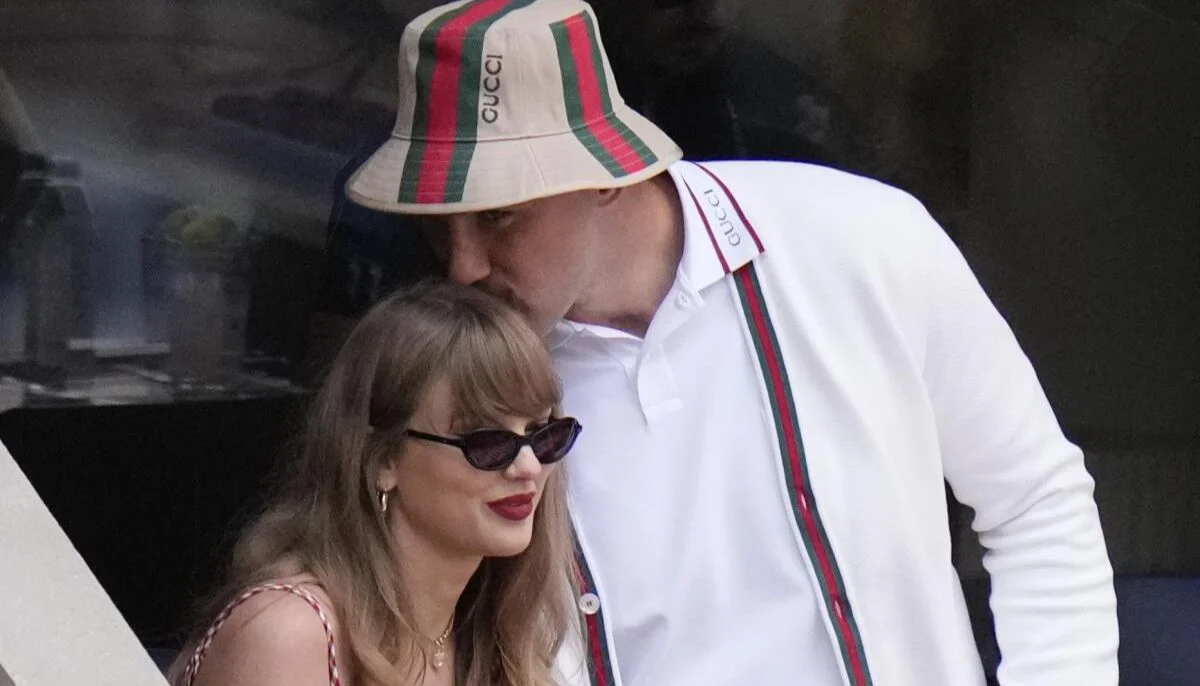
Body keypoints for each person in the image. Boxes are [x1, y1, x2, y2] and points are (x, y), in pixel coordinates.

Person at [344, 1, 1120, 684]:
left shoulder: (861, 241)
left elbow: (1034, 500)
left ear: (605, 173)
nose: (463, 265)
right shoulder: (452, 373)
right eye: (438, 227)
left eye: (498, 216)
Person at [168, 280, 587, 686]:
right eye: (487, 442)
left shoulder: (495, 633)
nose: (528, 465)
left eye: (543, 434)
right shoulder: (290, 634)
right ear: (381, 458)